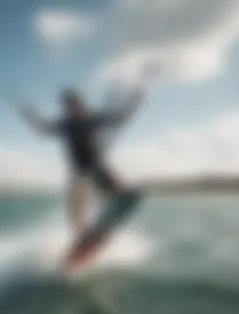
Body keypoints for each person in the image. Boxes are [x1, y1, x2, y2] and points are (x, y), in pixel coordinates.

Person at [14, 78, 152, 237]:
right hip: (79, 172)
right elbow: (44, 129)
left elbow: (119, 118)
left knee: (112, 186)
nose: (76, 108)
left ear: (81, 104)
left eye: (77, 104)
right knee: (75, 206)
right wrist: (29, 116)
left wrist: (135, 99)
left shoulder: (92, 119)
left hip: (97, 168)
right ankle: (81, 234)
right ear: (67, 108)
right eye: (71, 106)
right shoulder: (65, 124)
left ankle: (120, 196)